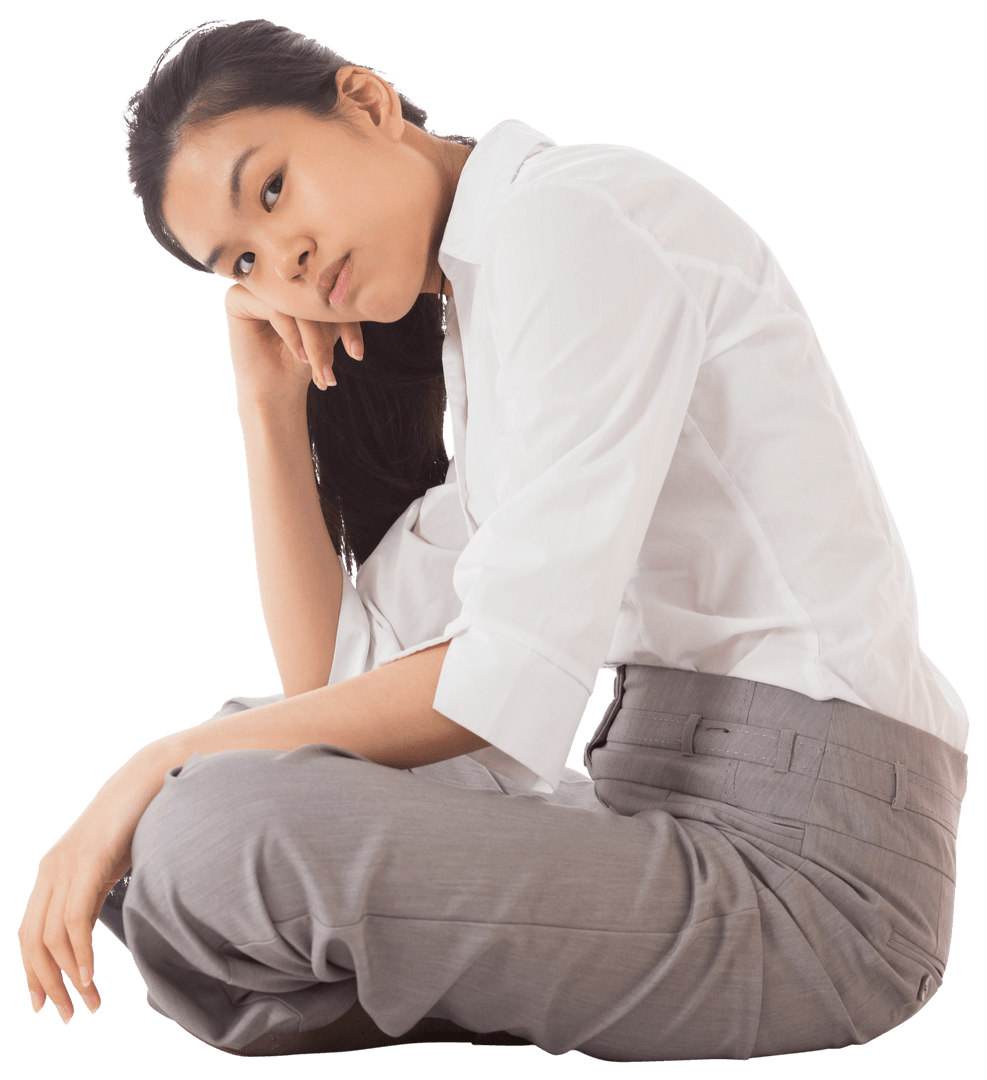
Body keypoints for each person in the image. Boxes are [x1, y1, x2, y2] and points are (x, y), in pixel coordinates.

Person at [17, 17, 969, 1062]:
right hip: (678, 805)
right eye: (241, 261)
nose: (281, 258)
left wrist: (155, 762)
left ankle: (434, 953)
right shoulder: (491, 303)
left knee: (208, 827)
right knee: (223, 791)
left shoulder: (563, 225)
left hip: (817, 882)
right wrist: (266, 408)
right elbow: (325, 688)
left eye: (275, 189)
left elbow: (497, 684)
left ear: (367, 103)